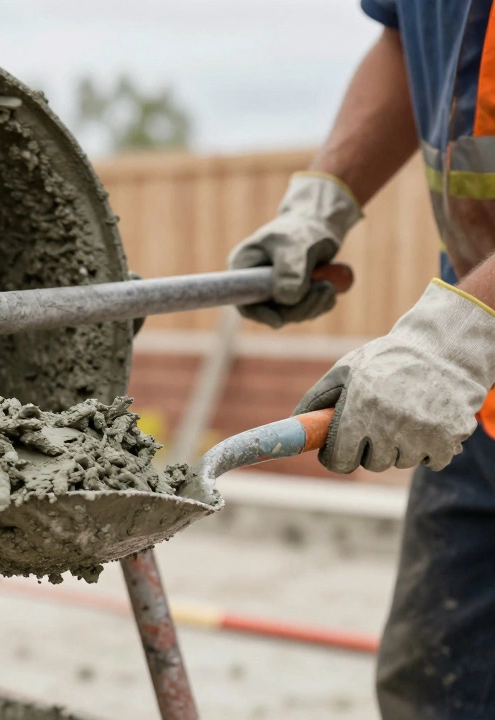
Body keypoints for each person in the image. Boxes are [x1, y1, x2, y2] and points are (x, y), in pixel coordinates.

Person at [228, 3, 495, 717]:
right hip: (485, 408)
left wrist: (458, 340)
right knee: (436, 683)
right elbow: (408, 40)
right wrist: (322, 201)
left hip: (473, 351)